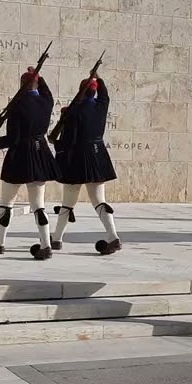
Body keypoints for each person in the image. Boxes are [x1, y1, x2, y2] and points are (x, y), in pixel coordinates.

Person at [0, 67, 60, 260]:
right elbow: (47, 92)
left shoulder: (17, 105)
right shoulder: (46, 102)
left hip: (19, 156)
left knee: (7, 203)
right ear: (37, 84)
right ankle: (45, 245)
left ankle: (0, 243)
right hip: (39, 153)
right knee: (39, 205)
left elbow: (13, 138)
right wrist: (38, 76)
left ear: (22, 85)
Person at [51, 75, 121, 255]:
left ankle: (57, 238)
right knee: (99, 200)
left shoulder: (75, 112)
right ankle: (113, 237)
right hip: (98, 155)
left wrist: (56, 143)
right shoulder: (101, 106)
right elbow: (105, 95)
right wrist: (100, 79)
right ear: (94, 92)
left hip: (78, 158)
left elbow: (68, 140)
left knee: (68, 201)